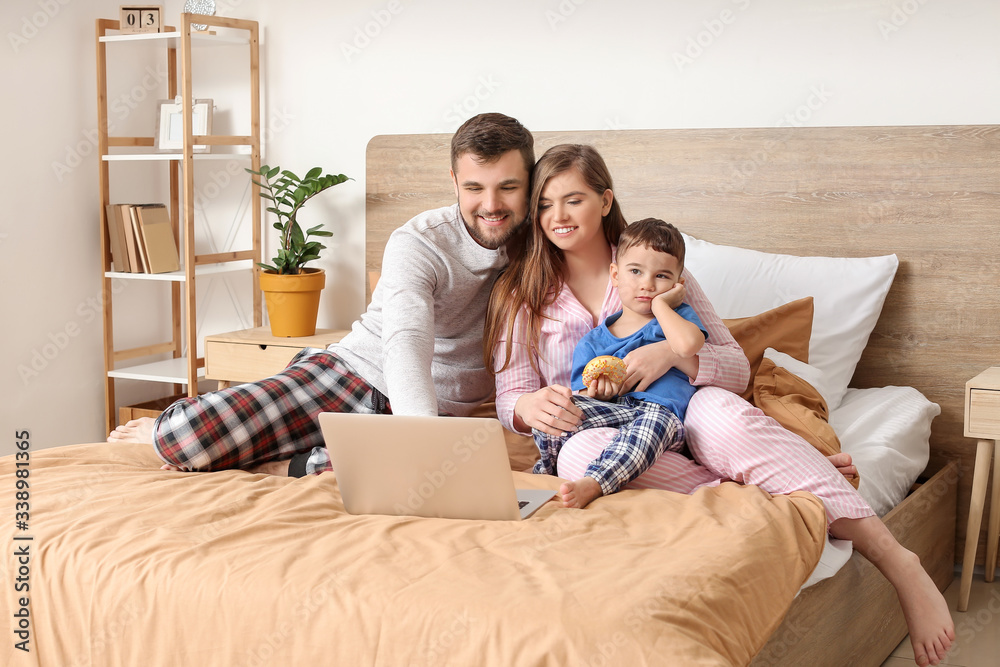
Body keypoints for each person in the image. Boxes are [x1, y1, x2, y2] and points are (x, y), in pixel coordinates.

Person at [485, 143, 954, 667]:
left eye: (573, 200)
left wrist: (670, 353)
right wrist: (532, 406)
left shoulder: (659, 272)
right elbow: (510, 399)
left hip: (686, 418)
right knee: (578, 459)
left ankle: (898, 560)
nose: (558, 217)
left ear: (606, 199)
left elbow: (735, 370)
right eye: (545, 204)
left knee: (720, 413)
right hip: (609, 431)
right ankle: (782, 485)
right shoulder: (519, 291)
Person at [108, 112, 534, 478]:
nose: (491, 204)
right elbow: (406, 341)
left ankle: (286, 466)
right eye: (475, 187)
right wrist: (419, 439)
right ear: (454, 181)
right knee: (183, 439)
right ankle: (162, 430)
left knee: (442, 466)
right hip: (354, 376)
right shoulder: (420, 242)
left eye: (508, 187)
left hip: (446, 412)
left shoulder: (545, 246)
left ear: (531, 184)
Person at [533, 218, 707, 508]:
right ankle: (546, 474)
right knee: (557, 410)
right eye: (636, 271)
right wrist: (598, 392)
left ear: (678, 284)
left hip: (663, 418)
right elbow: (583, 395)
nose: (647, 285)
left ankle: (597, 482)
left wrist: (662, 306)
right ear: (615, 275)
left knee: (654, 423)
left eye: (662, 276)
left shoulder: (678, 319)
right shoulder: (593, 341)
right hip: (614, 413)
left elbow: (689, 346)